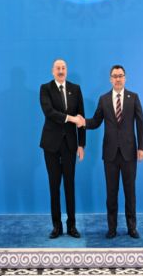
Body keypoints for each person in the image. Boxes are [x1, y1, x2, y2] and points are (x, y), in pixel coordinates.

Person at [76, 65, 143, 239]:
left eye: (120, 75)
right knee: (111, 193)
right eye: (115, 76)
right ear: (110, 79)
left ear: (125, 78)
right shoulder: (104, 99)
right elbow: (96, 121)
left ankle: (132, 228)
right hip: (110, 154)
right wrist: (83, 122)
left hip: (129, 153)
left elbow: (140, 124)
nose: (118, 79)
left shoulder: (133, 97)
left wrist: (141, 147)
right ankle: (112, 228)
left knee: (130, 192)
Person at [39, 59, 85, 239]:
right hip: (50, 144)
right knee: (54, 185)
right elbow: (49, 112)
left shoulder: (76, 89)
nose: (61, 70)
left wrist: (81, 144)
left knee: (69, 185)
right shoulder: (45, 88)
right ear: (52, 71)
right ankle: (56, 227)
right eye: (57, 68)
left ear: (67, 70)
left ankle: (72, 226)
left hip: (70, 145)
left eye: (63, 68)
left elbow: (81, 118)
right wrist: (71, 119)